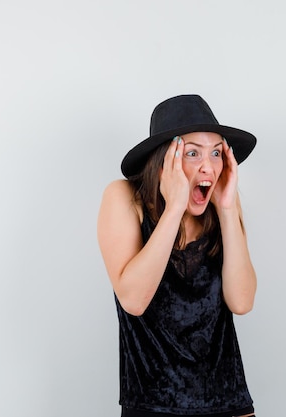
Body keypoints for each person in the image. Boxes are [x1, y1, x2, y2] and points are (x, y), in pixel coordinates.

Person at [97, 94, 258, 417]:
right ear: (164, 161)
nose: (208, 165)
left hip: (228, 402)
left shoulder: (221, 206)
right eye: (192, 152)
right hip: (152, 404)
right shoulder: (124, 198)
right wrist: (174, 209)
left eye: (216, 152)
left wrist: (227, 210)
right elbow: (134, 299)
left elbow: (241, 302)